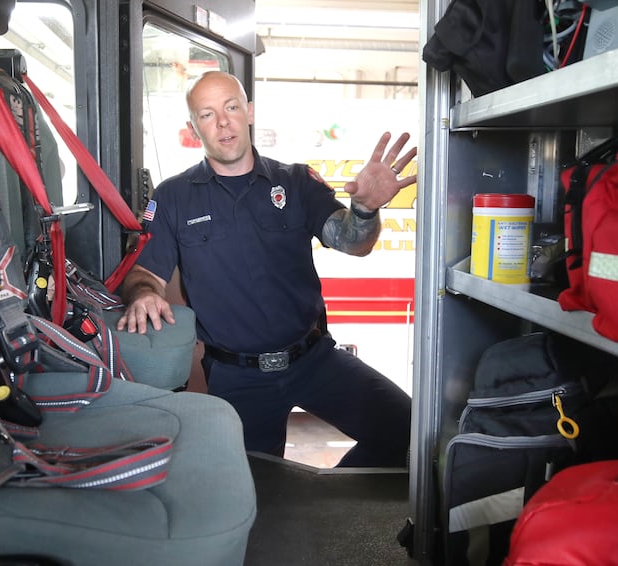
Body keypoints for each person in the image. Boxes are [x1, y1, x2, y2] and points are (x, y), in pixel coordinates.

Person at [117, 71, 416, 467]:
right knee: (252, 493)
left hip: (315, 361)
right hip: (238, 378)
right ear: (194, 128)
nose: (223, 122)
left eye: (232, 107)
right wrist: (144, 295)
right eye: (207, 114)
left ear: (250, 111)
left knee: (406, 427)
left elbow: (353, 242)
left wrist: (365, 209)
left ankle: (325, 511)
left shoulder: (296, 182)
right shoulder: (173, 198)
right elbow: (145, 274)